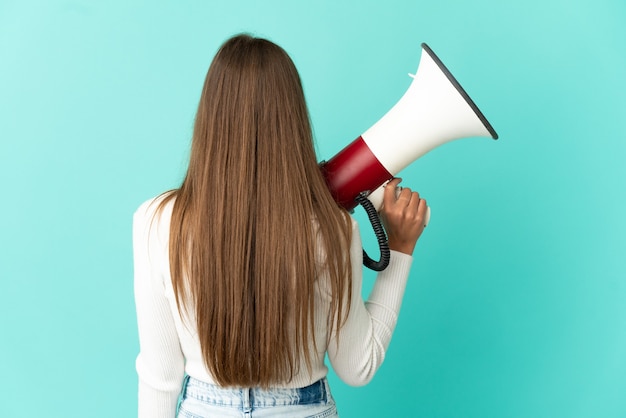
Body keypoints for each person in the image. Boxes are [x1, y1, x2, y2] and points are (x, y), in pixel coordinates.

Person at [133, 34, 429, 418]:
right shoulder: (333, 230)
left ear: (210, 117)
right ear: (292, 121)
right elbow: (357, 368)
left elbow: (159, 381)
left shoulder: (156, 221)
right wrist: (401, 248)